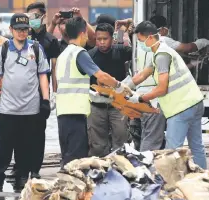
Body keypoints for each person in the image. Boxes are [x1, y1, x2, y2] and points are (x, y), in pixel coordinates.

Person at [124, 21, 207, 169]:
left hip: (181, 107)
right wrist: (123, 87)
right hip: (195, 102)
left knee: (172, 151)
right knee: (197, 147)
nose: (141, 44)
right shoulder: (161, 51)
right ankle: (203, 180)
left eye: (141, 41)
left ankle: (170, 185)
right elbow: (143, 74)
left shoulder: (161, 55)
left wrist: (140, 98)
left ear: (150, 38)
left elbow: (161, 89)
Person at [55, 17, 130, 170]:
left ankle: (67, 188)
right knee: (78, 160)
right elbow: (101, 76)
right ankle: (74, 189)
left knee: (69, 157)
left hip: (63, 112)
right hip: (76, 112)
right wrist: (120, 86)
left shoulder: (64, 54)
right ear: (83, 33)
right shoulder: (80, 53)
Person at [0, 13, 50, 190]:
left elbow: (42, 76)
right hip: (7, 109)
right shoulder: (3, 50)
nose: (21, 33)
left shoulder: (36, 49)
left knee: (25, 147)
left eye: (25, 29)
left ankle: (21, 178)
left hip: (30, 109)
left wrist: (46, 100)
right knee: (4, 148)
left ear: (29, 30)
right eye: (18, 29)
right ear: (11, 30)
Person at [25, 2, 60, 178]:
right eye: (29, 17)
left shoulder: (51, 41)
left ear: (43, 16)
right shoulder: (21, 38)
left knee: (39, 132)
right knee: (22, 132)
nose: (32, 21)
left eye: (35, 17)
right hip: (23, 93)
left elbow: (54, 68)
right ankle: (22, 167)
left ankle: (35, 169)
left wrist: (53, 93)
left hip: (41, 93)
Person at [87, 23, 132, 157]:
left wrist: (130, 32)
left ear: (112, 38)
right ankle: (99, 171)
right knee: (98, 144)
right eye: (98, 39)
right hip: (96, 105)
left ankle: (120, 170)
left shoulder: (121, 51)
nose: (101, 42)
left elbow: (138, 51)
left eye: (105, 39)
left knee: (121, 140)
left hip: (118, 106)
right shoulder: (89, 55)